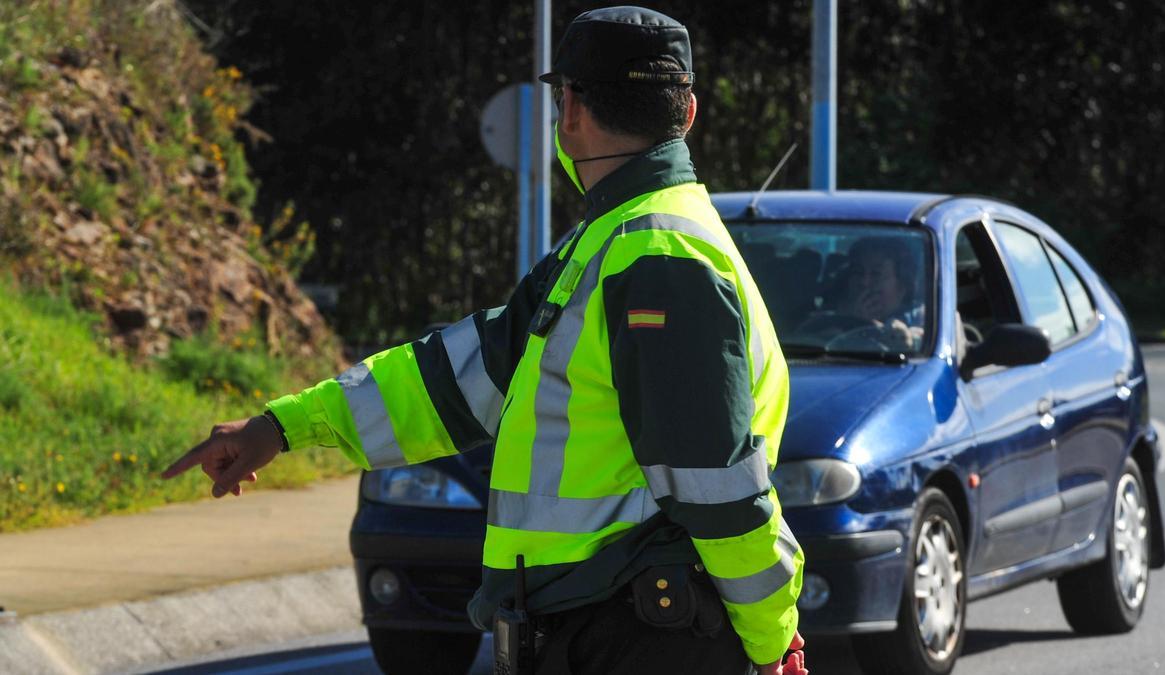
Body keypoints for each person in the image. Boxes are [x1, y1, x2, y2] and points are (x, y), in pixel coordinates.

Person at [163, 7, 806, 675]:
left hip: (634, 637)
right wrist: (283, 427)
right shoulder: (618, 243)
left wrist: (769, 639)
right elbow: (449, 382)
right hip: (614, 631)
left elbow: (716, 487)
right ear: (690, 111)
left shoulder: (652, 254)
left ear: (572, 111)